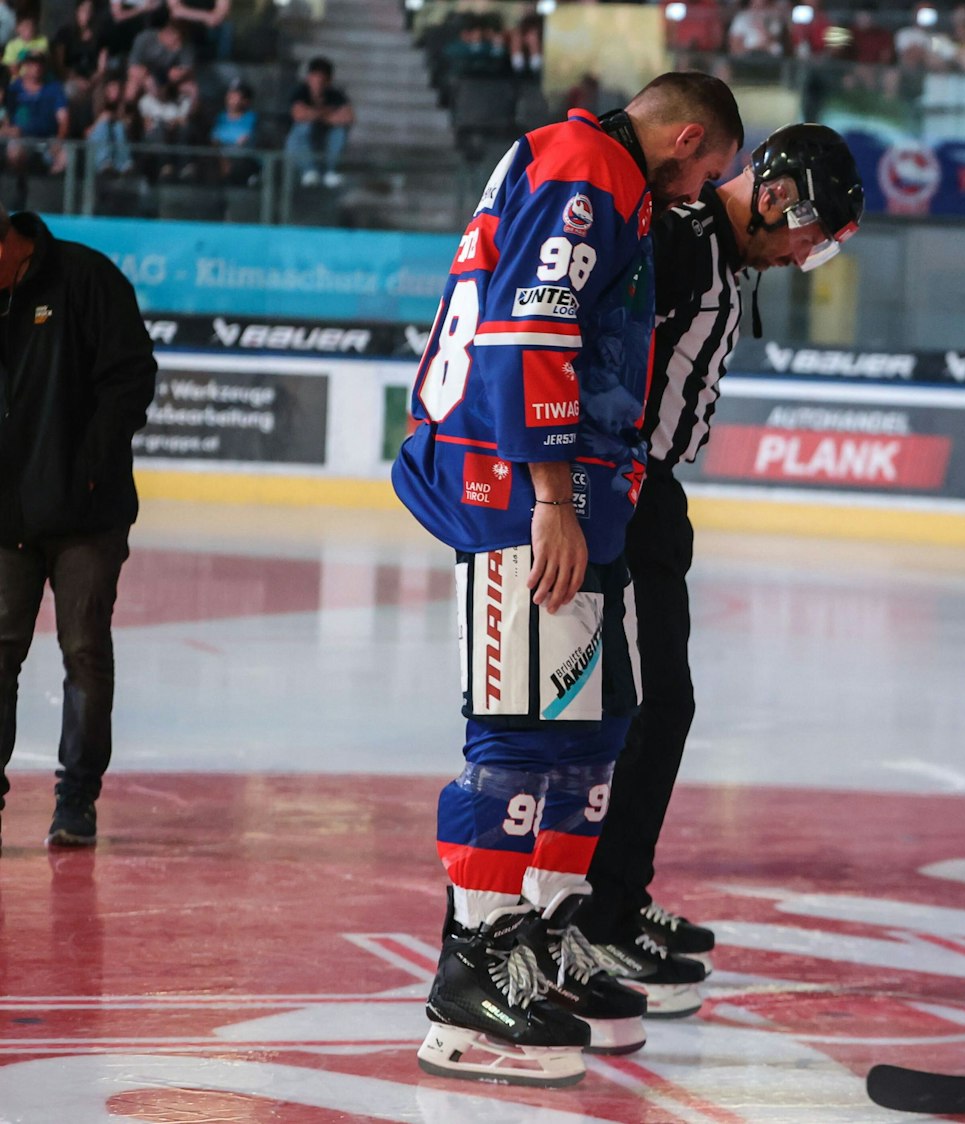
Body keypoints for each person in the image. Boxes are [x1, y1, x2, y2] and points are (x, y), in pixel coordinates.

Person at [391, 72, 743, 1087]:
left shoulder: (611, 177)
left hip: (575, 478)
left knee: (590, 727)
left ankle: (546, 927)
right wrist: (548, 496)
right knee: (519, 727)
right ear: (683, 135)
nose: (701, 190)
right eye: (707, 169)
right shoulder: (586, 173)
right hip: (517, 478)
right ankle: (471, 971)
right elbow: (528, 329)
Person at [576, 121, 865, 1012]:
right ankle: (595, 912)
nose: (800, 256)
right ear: (776, 195)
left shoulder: (718, 252)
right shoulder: (678, 239)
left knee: (657, 706)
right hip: (624, 492)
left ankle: (614, 900)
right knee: (633, 709)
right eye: (805, 238)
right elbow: (588, 336)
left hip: (650, 496)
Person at [0, 211, 160, 849]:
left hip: (86, 517)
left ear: (9, 240)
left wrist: (89, 469)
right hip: (6, 515)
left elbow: (132, 379)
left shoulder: (88, 280)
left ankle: (76, 799)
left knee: (84, 653)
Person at [286, 56, 353, 187]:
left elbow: (348, 117)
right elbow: (299, 115)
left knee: (339, 130)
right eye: (315, 78)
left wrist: (314, 115)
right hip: (299, 145)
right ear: (309, 78)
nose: (318, 83)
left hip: (323, 140)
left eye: (322, 80)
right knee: (303, 127)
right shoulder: (300, 92)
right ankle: (308, 170)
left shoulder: (335, 95)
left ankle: (330, 171)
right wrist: (327, 113)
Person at [4, 55, 71, 175]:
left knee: (66, 157)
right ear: (24, 66)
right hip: (22, 138)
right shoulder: (14, 89)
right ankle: (20, 186)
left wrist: (59, 140)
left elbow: (63, 119)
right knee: (14, 153)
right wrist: (9, 130)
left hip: (49, 138)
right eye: (31, 64)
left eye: (39, 64)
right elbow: (6, 117)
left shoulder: (54, 88)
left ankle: (48, 188)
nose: (36, 67)